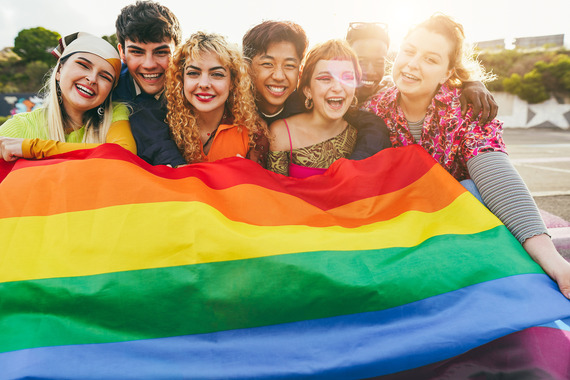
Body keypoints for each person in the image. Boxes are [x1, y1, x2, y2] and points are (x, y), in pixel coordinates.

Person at [363, 13, 570, 298]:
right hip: (397, 228)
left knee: (472, 190)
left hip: (452, 230)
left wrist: (556, 263)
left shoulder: (467, 109)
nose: (412, 64)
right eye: (409, 51)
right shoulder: (372, 109)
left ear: (448, 72)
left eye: (431, 59)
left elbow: (498, 176)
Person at [243, 21, 391, 161]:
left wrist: (353, 169)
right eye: (268, 64)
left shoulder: (314, 105)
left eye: (289, 65)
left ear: (299, 71)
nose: (279, 76)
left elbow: (367, 125)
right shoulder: (232, 107)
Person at [0, 32, 135, 161]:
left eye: (105, 77)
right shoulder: (19, 126)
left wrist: (33, 148)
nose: (92, 79)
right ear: (59, 70)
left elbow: (123, 153)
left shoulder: (115, 114)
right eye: (83, 65)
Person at [345, 21, 499, 125]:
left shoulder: (384, 94)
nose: (370, 71)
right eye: (361, 61)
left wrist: (472, 83)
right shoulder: (328, 95)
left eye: (379, 62)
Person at [165, 32, 268, 165]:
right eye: (193, 73)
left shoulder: (253, 132)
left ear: (232, 82)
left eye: (217, 74)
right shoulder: (166, 125)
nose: (204, 84)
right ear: (181, 79)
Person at [267, 40, 362, 178]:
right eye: (325, 78)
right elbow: (274, 192)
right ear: (307, 90)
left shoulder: (359, 135)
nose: (337, 88)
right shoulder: (282, 132)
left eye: (347, 78)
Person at [113, 0, 185, 166]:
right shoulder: (108, 88)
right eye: (137, 52)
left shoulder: (197, 85)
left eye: (161, 52)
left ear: (179, 52)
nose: (149, 64)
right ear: (122, 52)